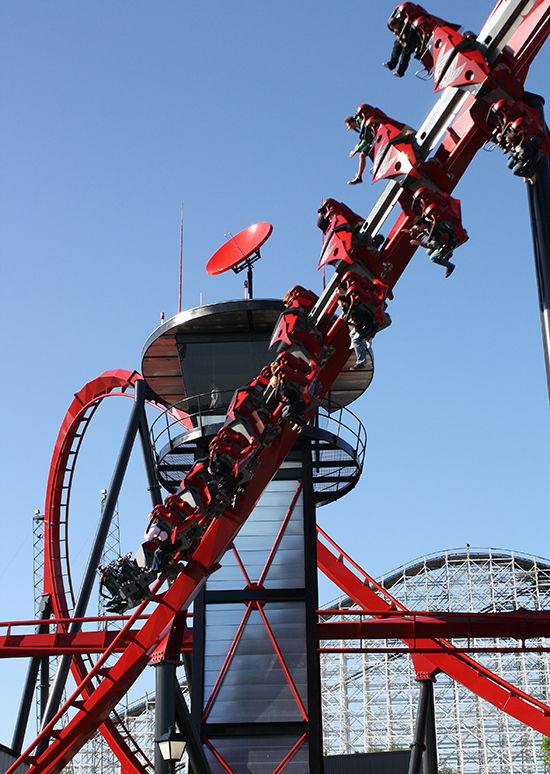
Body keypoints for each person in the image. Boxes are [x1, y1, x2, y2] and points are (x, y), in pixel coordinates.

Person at [345, 114, 376, 185]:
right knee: (360, 151)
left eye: (349, 125)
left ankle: (359, 177)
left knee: (362, 155)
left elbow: (366, 139)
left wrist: (355, 151)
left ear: (351, 122)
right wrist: (358, 146)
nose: (350, 128)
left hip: (374, 139)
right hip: (371, 140)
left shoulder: (362, 123)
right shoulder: (360, 126)